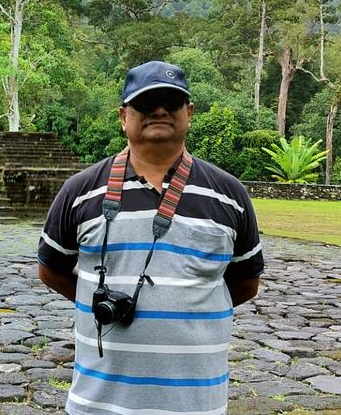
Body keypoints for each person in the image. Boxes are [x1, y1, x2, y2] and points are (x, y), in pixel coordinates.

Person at [37, 60, 263, 415]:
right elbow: (52, 270)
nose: (159, 110)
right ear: (123, 116)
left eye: (171, 103)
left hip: (196, 405)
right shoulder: (80, 191)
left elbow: (245, 282)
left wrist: (184, 309)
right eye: (145, 103)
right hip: (98, 404)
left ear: (189, 112)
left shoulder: (229, 195)